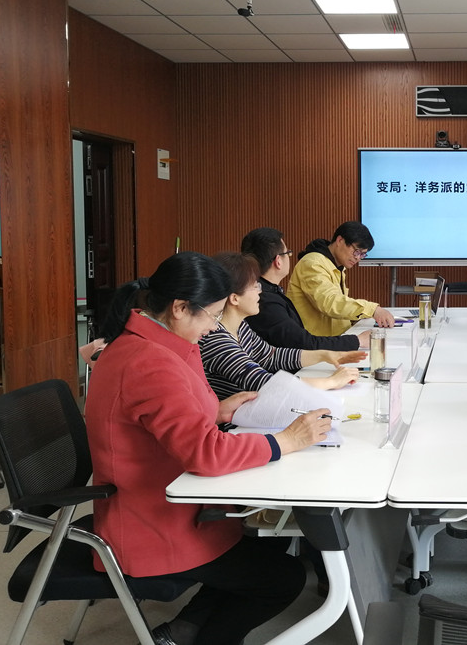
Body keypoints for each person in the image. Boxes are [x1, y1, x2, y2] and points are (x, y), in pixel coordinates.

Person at [86, 251, 333, 645]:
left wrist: (217, 411)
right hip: (152, 520)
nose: (215, 326)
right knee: (282, 578)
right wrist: (285, 441)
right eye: (213, 315)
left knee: (264, 554)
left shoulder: (155, 343)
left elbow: (158, 419)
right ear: (180, 308)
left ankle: (179, 633)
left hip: (167, 499)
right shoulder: (151, 361)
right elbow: (206, 454)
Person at [199, 252, 363, 399]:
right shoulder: (216, 339)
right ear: (235, 298)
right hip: (237, 421)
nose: (260, 291)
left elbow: (271, 356)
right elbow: (265, 384)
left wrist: (323, 355)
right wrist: (331, 382)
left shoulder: (240, 326)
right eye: (255, 286)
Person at [241, 227, 371, 352]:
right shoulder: (265, 301)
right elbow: (303, 344)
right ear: (278, 261)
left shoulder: (270, 292)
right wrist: (357, 341)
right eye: (288, 253)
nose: (357, 258)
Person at [288, 221, 396, 336]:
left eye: (362, 255)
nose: (358, 258)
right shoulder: (313, 263)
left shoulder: (336, 266)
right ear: (340, 240)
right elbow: (329, 303)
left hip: (335, 338)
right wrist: (372, 309)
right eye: (357, 252)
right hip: (315, 342)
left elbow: (338, 311)